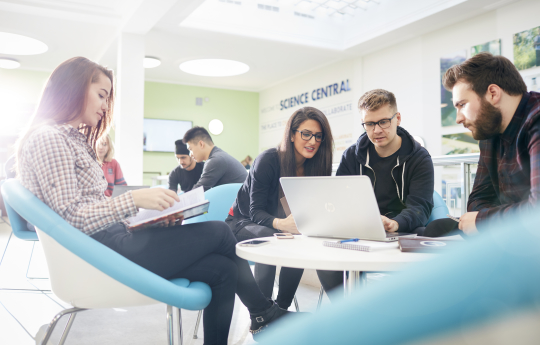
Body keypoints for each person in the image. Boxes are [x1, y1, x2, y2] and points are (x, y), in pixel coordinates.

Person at [15, 57, 295, 345]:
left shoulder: (69, 139)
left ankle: (261, 316)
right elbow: (72, 217)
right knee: (221, 231)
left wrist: (148, 220)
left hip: (111, 243)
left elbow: (83, 211)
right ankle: (263, 314)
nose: (104, 106)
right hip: (102, 255)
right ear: (72, 88)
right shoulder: (49, 138)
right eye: (101, 95)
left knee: (222, 271)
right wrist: (134, 200)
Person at [317, 89, 434, 299]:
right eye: (369, 124)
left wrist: (394, 223)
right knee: (325, 258)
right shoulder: (352, 155)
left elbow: (420, 206)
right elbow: (339, 201)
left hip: (402, 229)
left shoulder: (419, 157)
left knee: (425, 238)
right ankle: (350, 315)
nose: (376, 130)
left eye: (383, 122)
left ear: (397, 118)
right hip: (360, 231)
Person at [225, 107, 334, 310]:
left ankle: (281, 309)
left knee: (299, 242)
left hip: (281, 228)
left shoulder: (316, 167)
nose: (312, 141)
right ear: (292, 135)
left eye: (318, 137)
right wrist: (281, 223)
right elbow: (254, 212)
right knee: (271, 238)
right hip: (242, 223)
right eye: (306, 134)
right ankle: (262, 312)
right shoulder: (269, 160)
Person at [427, 52, 540, 236]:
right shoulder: (490, 132)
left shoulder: (536, 119)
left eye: (462, 105)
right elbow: (477, 201)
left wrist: (484, 221)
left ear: (493, 93)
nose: (458, 118)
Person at [183, 126, 247, 191]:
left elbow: (198, 191)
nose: (190, 154)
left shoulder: (215, 160)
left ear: (201, 144)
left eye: (190, 149)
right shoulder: (219, 155)